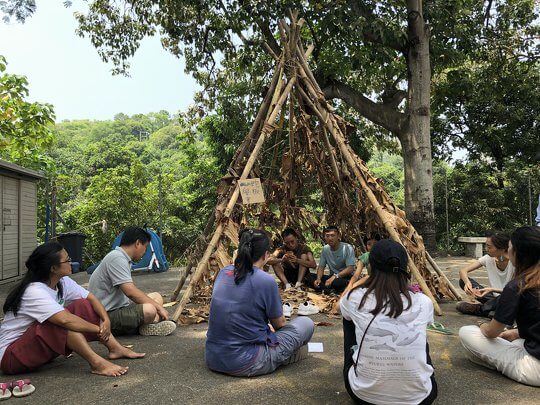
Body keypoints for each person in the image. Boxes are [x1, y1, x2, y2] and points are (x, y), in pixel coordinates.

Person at [0, 242, 145, 377]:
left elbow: (91, 298)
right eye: (67, 260)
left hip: (34, 350)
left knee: (83, 305)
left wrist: (106, 320)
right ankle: (97, 364)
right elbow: (65, 320)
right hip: (11, 358)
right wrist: (99, 329)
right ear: (53, 268)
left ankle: (115, 348)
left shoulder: (62, 281)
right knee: (60, 322)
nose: (71, 261)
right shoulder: (34, 291)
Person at [205, 228, 314, 377]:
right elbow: (279, 325)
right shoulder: (265, 280)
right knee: (306, 323)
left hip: (213, 358)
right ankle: (286, 355)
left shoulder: (224, 272)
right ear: (265, 255)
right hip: (247, 362)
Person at [340, 239, 437, 404]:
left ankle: (365, 372)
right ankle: (413, 376)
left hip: (364, 397)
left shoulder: (355, 299)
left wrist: (363, 281)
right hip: (420, 399)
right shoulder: (423, 301)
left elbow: (340, 306)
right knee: (418, 330)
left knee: (348, 318)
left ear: (371, 267)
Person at [459, 226, 540, 387]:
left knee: (467, 333)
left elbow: (491, 332)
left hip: (535, 368)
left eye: (510, 248)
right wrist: (516, 333)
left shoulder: (518, 285)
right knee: (514, 341)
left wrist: (483, 326)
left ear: (518, 253)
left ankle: (494, 363)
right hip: (531, 345)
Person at [88, 227, 176, 336]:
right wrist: (158, 308)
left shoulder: (122, 258)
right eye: (146, 247)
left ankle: (148, 324)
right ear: (138, 243)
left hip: (120, 307)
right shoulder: (117, 258)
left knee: (156, 296)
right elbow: (131, 292)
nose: (145, 251)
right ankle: (148, 324)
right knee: (150, 310)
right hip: (105, 315)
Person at [456, 233, 514, 318]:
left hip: (509, 297)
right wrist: (467, 283)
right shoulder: (488, 258)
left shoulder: (515, 262)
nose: (486, 249)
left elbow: (517, 290)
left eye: (489, 247)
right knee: (462, 281)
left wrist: (492, 289)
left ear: (502, 249)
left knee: (509, 297)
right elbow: (463, 271)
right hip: (494, 297)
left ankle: (480, 309)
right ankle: (495, 311)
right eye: (486, 246)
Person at [306, 226, 356, 293]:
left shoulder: (347, 248)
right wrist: (318, 279)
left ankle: (325, 289)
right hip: (331, 277)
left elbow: (350, 268)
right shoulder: (325, 249)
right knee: (309, 276)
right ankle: (328, 290)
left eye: (332, 235)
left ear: (338, 236)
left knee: (337, 282)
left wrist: (335, 276)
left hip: (344, 277)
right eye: (327, 236)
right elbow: (321, 267)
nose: (330, 238)